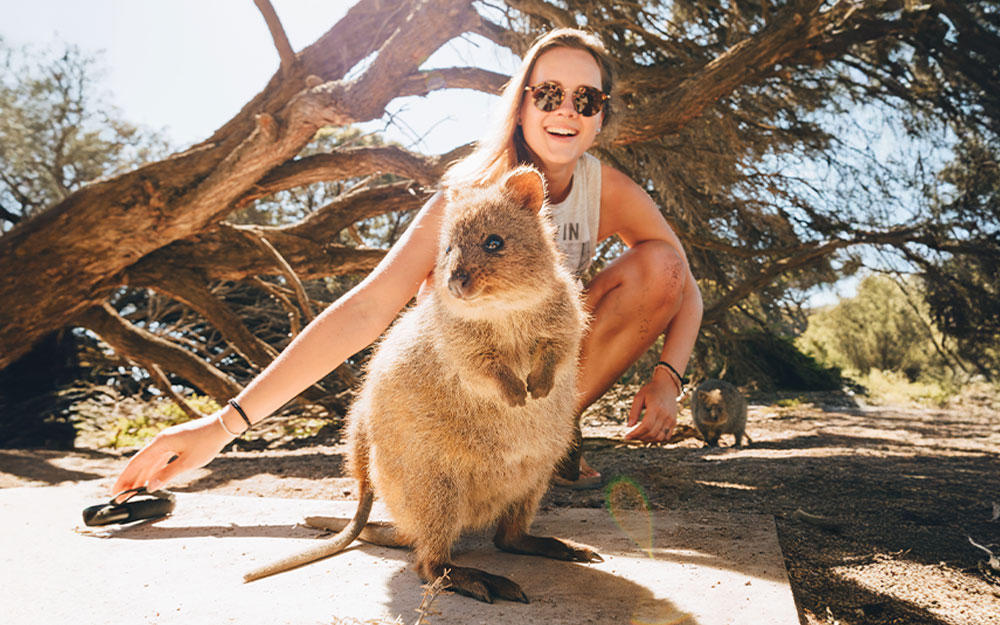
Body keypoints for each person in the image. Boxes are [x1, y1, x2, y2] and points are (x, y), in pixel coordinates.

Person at [112, 28, 702, 496]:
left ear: (601, 114)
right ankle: (476, 460)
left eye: (586, 99)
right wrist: (221, 427)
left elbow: (683, 287)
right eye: (548, 93)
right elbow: (369, 307)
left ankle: (547, 443)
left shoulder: (609, 190)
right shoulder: (470, 197)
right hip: (463, 383)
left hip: (539, 379)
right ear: (522, 103)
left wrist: (667, 378)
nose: (566, 110)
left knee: (661, 265)